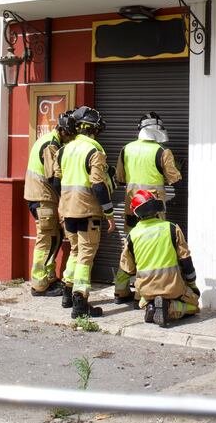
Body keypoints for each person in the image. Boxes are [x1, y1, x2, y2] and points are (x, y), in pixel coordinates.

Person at [50, 105, 116, 318]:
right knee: (86, 257)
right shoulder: (94, 152)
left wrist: (65, 204)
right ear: (93, 129)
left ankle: (67, 294)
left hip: (67, 212)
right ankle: (80, 303)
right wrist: (109, 214)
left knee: (75, 251)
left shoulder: (63, 151)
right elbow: (98, 186)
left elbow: (56, 182)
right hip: (88, 213)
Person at [112, 112, 183, 304]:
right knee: (152, 250)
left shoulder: (126, 149)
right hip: (154, 210)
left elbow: (119, 178)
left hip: (131, 209)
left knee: (129, 249)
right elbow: (175, 180)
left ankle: (120, 290)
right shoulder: (162, 152)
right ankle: (142, 294)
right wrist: (177, 170)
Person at [115, 189, 199, 327]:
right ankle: (169, 307)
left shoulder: (132, 235)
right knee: (194, 306)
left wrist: (120, 293)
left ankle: (150, 306)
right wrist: (192, 285)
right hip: (173, 287)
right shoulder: (172, 228)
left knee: (145, 298)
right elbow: (186, 261)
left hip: (146, 290)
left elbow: (127, 269)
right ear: (156, 208)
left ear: (136, 213)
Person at [24, 110, 75, 297]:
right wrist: (67, 199)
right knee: (47, 240)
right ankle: (39, 284)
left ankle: (49, 277)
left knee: (55, 237)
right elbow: (54, 178)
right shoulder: (50, 145)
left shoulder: (51, 140)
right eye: (70, 135)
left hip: (43, 198)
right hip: (42, 198)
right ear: (63, 131)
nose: (71, 139)